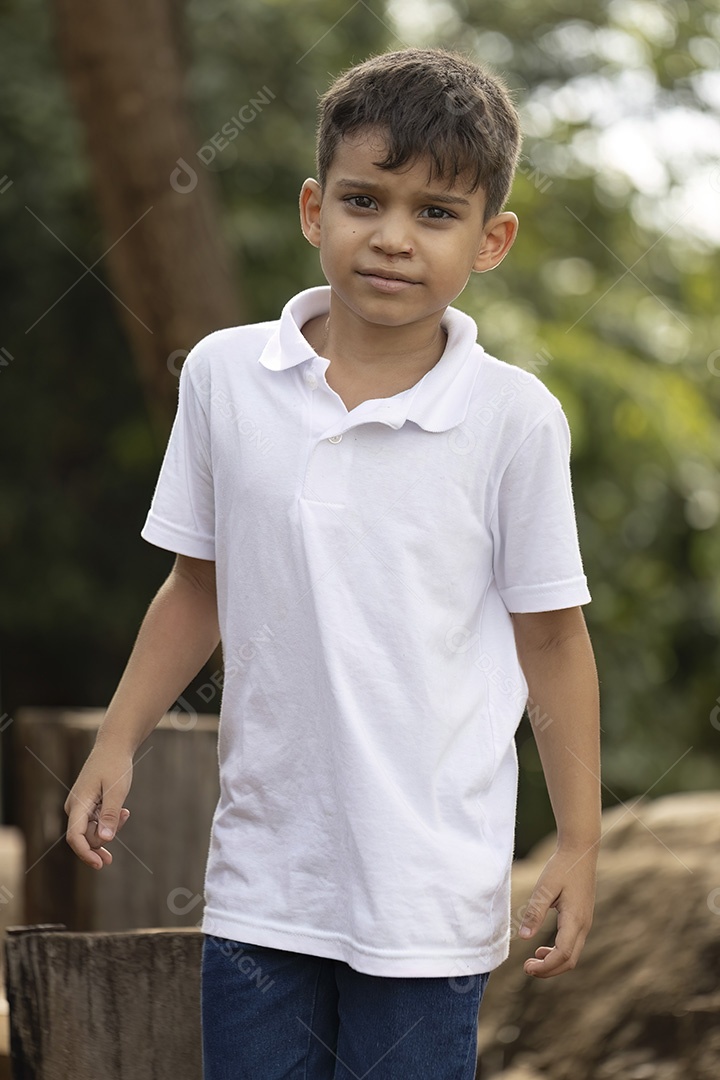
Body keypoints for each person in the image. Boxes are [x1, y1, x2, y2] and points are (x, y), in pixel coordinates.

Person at [65, 46, 600, 1080]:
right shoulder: (226, 376)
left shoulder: (514, 420)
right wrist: (118, 740)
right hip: (266, 879)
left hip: (426, 890)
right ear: (316, 209)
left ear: (493, 240)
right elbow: (197, 582)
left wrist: (579, 845)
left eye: (436, 213)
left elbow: (554, 638)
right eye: (365, 200)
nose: (393, 238)